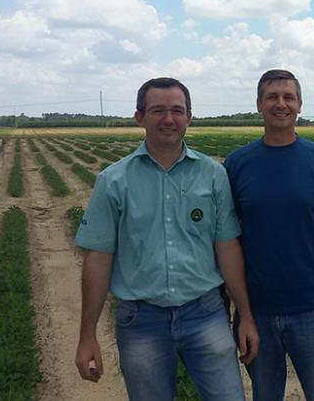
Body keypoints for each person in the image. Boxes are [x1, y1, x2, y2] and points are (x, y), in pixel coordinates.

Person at [74, 77, 258, 401]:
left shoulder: (213, 174)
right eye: (158, 110)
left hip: (205, 313)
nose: (169, 119)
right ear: (139, 117)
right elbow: (98, 259)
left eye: (177, 110)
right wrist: (87, 335)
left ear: (189, 117)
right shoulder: (113, 181)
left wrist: (246, 316)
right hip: (140, 320)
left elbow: (227, 247)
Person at [224, 69, 314, 401]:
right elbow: (226, 239)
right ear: (259, 104)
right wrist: (237, 308)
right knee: (265, 395)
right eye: (272, 96)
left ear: (300, 104)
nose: (280, 104)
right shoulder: (237, 164)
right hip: (257, 309)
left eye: (288, 97)